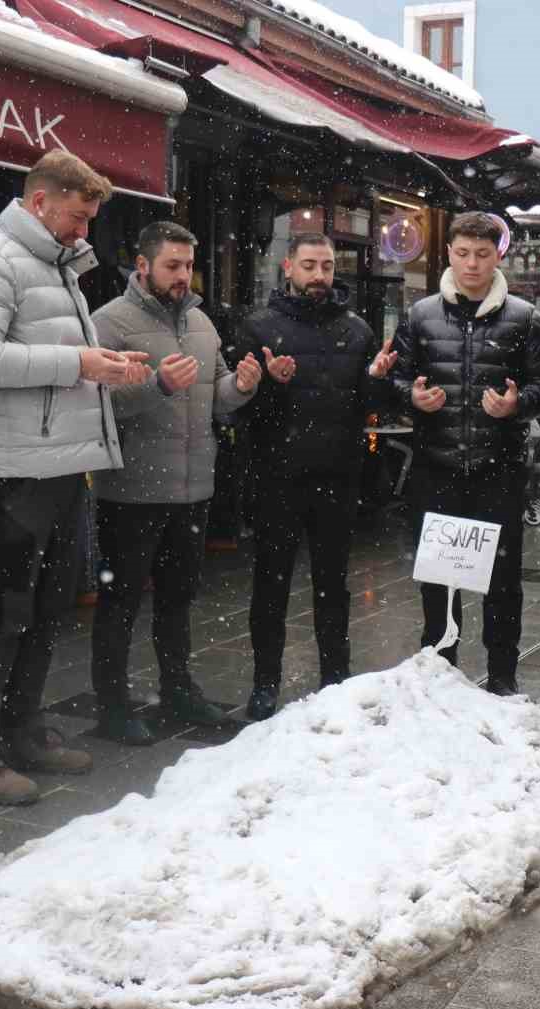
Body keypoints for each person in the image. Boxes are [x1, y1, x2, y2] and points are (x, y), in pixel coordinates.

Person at [0, 149, 150, 805]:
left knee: (49, 607)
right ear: (39, 203)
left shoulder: (57, 269)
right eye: (77, 216)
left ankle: (22, 729)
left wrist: (103, 366)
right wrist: (81, 362)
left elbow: (62, 361)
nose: (85, 231)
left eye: (90, 219)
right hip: (17, 469)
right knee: (5, 611)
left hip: (60, 465)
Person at [88, 222, 261, 745]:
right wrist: (157, 386)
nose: (184, 275)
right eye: (172, 265)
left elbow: (217, 397)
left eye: (188, 265)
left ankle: (179, 689)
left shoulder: (204, 325)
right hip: (131, 492)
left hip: (193, 488)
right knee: (120, 604)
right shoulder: (108, 324)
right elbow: (95, 407)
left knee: (178, 598)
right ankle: (113, 706)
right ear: (142, 266)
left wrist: (243, 386)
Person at [373, 212, 540, 694]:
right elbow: (395, 378)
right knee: (438, 577)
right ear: (449, 254)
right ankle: (440, 670)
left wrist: (518, 404)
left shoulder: (525, 317)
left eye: (482, 253)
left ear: (499, 255)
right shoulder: (421, 314)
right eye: (462, 253)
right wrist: (410, 397)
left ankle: (502, 675)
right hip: (438, 467)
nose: (472, 263)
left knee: (502, 580)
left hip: (500, 468)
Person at [237, 233, 382, 721]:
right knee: (270, 585)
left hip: (337, 477)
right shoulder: (257, 326)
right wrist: (269, 386)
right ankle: (263, 683)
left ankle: (336, 678)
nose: (319, 275)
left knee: (333, 585)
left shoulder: (358, 330)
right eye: (308, 265)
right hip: (277, 477)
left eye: (325, 265)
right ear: (287, 267)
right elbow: (239, 410)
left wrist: (380, 384)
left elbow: (367, 405)